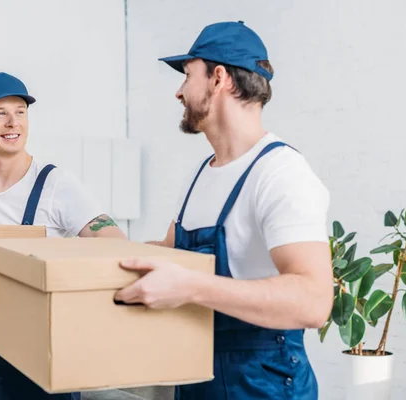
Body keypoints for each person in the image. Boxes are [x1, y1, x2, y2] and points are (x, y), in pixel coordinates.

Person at [114, 21, 333, 400]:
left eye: (187, 76)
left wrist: (190, 287)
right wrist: (91, 262)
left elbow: (314, 301)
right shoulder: (203, 173)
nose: (179, 92)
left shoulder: (280, 174)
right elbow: (169, 251)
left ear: (219, 79)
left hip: (262, 386)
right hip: (199, 379)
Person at [0, 72, 127, 400]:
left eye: (20, 112)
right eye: (0, 113)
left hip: (46, 347)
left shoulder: (56, 185)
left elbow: (114, 243)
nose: (13, 122)